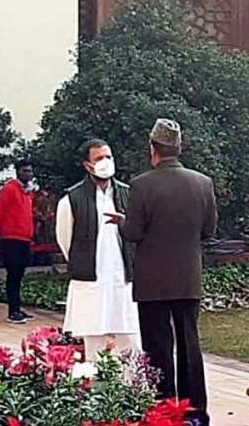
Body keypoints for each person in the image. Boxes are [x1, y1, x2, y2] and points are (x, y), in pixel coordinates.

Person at [118, 119, 217, 426]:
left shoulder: (141, 185)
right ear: (179, 147)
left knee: (158, 345)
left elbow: (133, 232)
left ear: (153, 149)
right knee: (190, 343)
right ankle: (195, 412)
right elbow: (209, 230)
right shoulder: (202, 183)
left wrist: (121, 222)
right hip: (187, 277)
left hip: (153, 281)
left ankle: (164, 410)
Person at [55, 139, 140, 355]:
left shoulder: (129, 194)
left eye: (108, 157)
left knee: (131, 342)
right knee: (94, 343)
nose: (106, 162)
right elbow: (65, 240)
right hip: (91, 280)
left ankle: (133, 377)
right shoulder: (72, 199)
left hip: (123, 278)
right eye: (99, 158)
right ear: (88, 165)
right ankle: (96, 378)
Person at [0, 159, 37, 324]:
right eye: (25, 171)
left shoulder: (27, 192)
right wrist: (3, 231)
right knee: (13, 274)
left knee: (19, 275)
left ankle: (17, 307)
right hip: (11, 238)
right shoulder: (10, 189)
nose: (28, 174)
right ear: (18, 172)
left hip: (24, 238)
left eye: (30, 171)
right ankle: (13, 311)